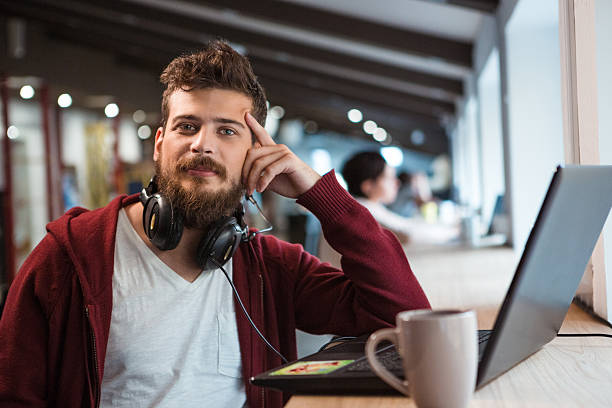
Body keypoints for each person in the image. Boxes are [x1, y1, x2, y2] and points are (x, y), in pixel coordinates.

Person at [0, 41, 430, 408]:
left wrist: (321, 196)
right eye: (187, 126)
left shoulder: (271, 269)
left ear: (257, 153)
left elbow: (405, 317)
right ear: (161, 143)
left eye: (227, 131)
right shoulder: (72, 256)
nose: (202, 144)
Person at [342, 151, 459, 246]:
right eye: (389, 178)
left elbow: (405, 225)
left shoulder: (364, 206)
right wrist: (453, 232)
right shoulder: (364, 211)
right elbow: (408, 234)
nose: (396, 182)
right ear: (368, 186)